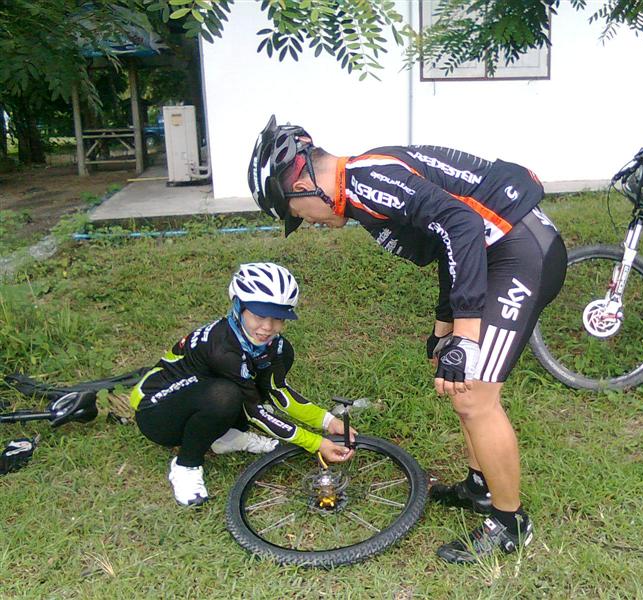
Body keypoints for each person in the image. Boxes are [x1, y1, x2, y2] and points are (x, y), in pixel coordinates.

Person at [247, 116, 567, 563]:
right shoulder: (360, 188)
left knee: (475, 396)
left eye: (298, 214)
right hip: (496, 254)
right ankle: (480, 487)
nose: (309, 222)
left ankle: (510, 523)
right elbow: (448, 250)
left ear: (303, 186)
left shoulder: (368, 181)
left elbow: (463, 226)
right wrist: (444, 328)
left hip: (520, 252)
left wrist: (465, 338)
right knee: (462, 390)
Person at [130, 262, 355, 507]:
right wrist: (315, 443)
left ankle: (224, 437)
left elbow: (278, 392)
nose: (268, 327)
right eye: (259, 315)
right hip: (157, 412)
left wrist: (327, 421)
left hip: (201, 394)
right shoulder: (222, 348)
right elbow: (254, 411)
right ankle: (186, 465)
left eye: (278, 318)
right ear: (238, 306)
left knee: (255, 377)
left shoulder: (275, 345)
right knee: (225, 396)